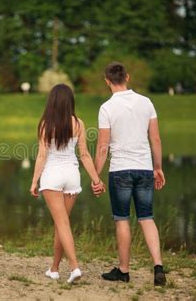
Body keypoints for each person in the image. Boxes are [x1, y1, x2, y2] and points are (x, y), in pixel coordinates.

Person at [91, 62, 167, 286]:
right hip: (144, 169)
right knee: (147, 217)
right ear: (128, 77)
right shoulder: (146, 102)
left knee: (122, 219)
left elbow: (103, 146)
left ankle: (123, 271)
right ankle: (158, 267)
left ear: (107, 81)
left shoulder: (107, 108)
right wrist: (158, 167)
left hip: (120, 171)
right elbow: (155, 139)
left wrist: (96, 176)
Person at [30, 84, 105, 283]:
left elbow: (42, 156)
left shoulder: (46, 124)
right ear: (70, 101)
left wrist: (34, 181)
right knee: (61, 224)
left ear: (52, 101)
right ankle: (54, 269)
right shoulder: (78, 123)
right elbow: (85, 155)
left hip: (52, 177)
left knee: (62, 223)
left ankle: (74, 268)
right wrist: (96, 180)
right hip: (72, 176)